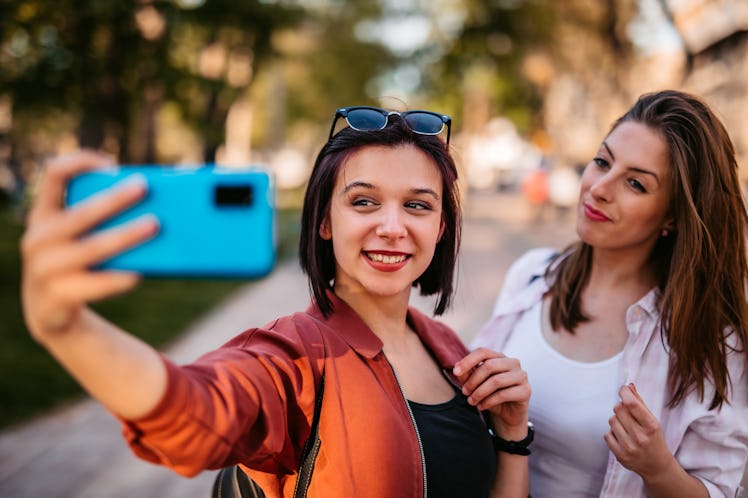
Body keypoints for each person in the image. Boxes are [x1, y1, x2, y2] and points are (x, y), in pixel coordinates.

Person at [20, 107, 532, 498]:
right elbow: (193, 410)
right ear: (325, 221)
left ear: (441, 228)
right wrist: (67, 329)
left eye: (417, 205)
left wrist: (510, 435)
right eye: (364, 201)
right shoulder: (290, 355)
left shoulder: (446, 345)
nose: (393, 227)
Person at [471, 90, 748, 497]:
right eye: (602, 161)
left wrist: (658, 470)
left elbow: (720, 489)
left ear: (672, 215)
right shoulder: (531, 276)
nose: (599, 187)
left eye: (635, 183)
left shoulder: (712, 341)